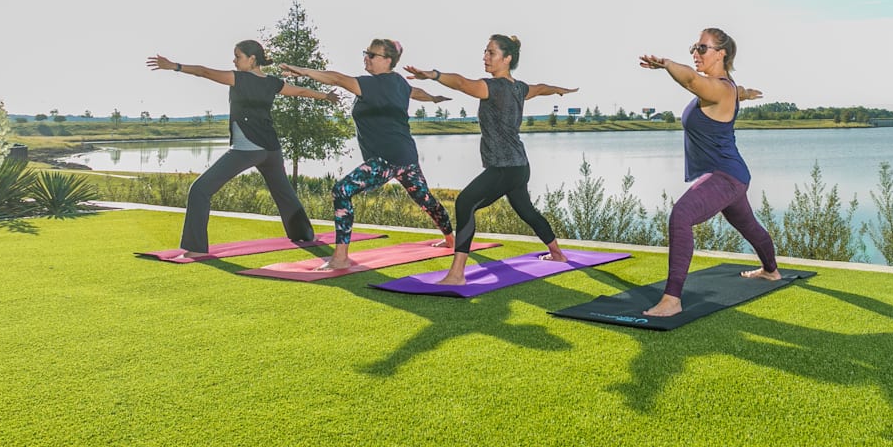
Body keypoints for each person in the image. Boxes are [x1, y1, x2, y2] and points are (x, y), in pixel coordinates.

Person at [404, 34, 576, 286]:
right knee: (526, 211)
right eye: (485, 52)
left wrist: (433, 75)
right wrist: (557, 90)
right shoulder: (519, 88)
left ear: (507, 59)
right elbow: (540, 88)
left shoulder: (492, 87)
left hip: (504, 167)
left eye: (491, 53)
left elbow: (462, 83)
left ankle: (456, 274)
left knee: (465, 203)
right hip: (519, 166)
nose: (485, 57)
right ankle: (557, 254)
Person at [637, 27, 780, 318]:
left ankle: (672, 300)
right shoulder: (725, 87)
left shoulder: (716, 87)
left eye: (702, 48)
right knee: (749, 226)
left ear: (722, 53)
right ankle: (770, 271)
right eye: (694, 47)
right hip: (732, 176)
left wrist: (665, 63)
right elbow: (731, 91)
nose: (695, 53)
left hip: (725, 177)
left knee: (681, 216)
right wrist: (747, 94)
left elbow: (690, 79)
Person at [278, 38, 452, 271]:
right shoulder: (398, 82)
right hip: (405, 156)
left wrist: (301, 70)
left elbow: (337, 79)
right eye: (366, 53)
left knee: (342, 190)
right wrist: (432, 98)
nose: (366, 57)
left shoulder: (375, 84)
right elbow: (415, 91)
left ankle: (340, 258)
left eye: (372, 55)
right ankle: (452, 239)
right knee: (425, 199)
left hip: (386, 158)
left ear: (388, 61)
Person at [145, 41, 334, 255]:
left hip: (248, 148)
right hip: (271, 149)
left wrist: (175, 66)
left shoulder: (239, 79)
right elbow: (299, 91)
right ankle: (304, 235)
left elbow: (204, 72)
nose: (234, 61)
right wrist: (326, 96)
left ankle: (195, 249)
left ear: (252, 59)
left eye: (238, 56)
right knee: (284, 194)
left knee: (199, 190)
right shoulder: (272, 82)